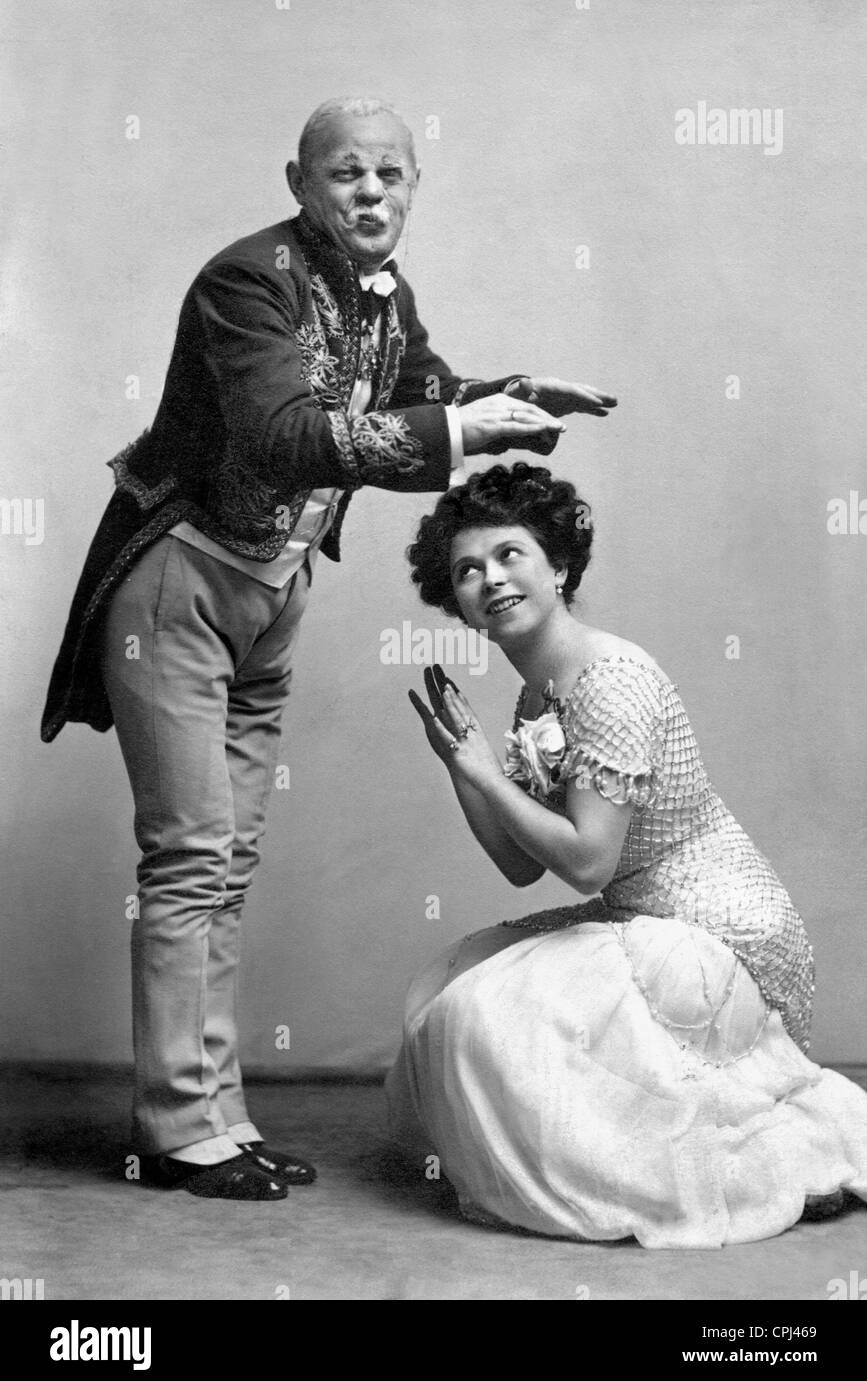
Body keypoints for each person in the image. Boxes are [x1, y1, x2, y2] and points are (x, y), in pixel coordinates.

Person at [40, 98, 617, 1200]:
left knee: (229, 857)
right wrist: (460, 430)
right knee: (192, 853)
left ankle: (214, 1112)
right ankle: (175, 1129)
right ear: (300, 182)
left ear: (412, 189)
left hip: (275, 588)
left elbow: (417, 398)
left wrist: (511, 396)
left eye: (392, 177)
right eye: (348, 174)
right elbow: (287, 433)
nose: (372, 195)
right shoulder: (244, 282)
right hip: (181, 581)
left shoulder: (382, 299)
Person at [387, 460, 867, 1247]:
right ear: (459, 606)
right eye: (467, 571)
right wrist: (460, 763)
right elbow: (517, 864)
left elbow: (585, 864)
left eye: (510, 555)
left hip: (723, 937)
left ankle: (761, 1155)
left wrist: (481, 770)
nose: (490, 580)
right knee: (452, 980)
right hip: (640, 916)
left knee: (486, 1014)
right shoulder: (533, 696)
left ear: (559, 566)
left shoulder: (609, 681)